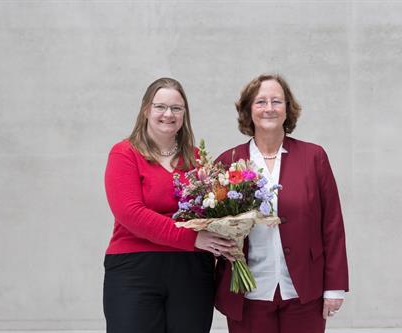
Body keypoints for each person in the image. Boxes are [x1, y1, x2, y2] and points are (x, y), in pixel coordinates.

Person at [215, 74, 349, 333]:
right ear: (247, 110)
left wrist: (334, 286)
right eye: (260, 102)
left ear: (288, 109)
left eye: (277, 101)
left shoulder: (314, 157)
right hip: (247, 291)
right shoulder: (228, 160)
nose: (269, 108)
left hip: (303, 289)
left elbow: (332, 225)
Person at [103, 77, 235, 333]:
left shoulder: (197, 159)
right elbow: (131, 214)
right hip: (135, 268)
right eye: (160, 106)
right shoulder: (125, 153)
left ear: (184, 114)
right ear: (146, 110)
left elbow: (210, 212)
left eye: (176, 108)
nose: (168, 114)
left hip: (191, 268)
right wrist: (192, 238)